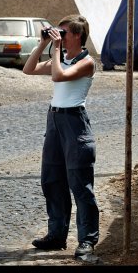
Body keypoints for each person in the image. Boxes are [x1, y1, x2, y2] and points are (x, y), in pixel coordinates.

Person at [23, 14, 99, 258]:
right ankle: (57, 235)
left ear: (77, 35)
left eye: (64, 33)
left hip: (75, 123)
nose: (61, 37)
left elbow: (58, 76)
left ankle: (87, 241)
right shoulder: (62, 57)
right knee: (52, 180)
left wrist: (55, 48)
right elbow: (29, 69)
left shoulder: (87, 62)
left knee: (80, 185)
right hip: (54, 120)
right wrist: (43, 44)